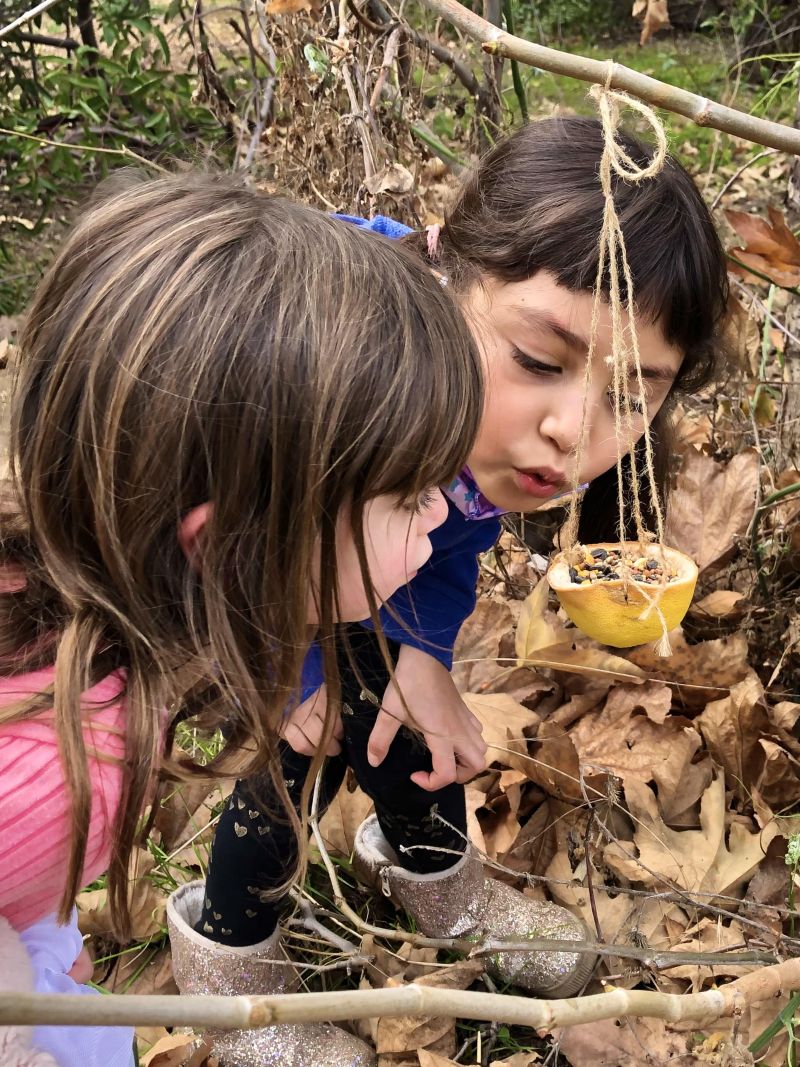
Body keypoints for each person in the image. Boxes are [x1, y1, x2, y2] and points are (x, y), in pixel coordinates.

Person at [194, 114, 730, 1063]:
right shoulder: (334, 363)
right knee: (293, 754)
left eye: (632, 393)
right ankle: (229, 960)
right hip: (253, 579)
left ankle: (440, 882)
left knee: (410, 718)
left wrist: (426, 652)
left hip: (362, 571)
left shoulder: (490, 435)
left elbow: (444, 539)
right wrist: (292, 670)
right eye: (539, 361)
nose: (575, 431)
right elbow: (228, 537)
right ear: (448, 270)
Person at [0, 171, 483, 1067]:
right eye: (413, 495)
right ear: (237, 549)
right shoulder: (59, 774)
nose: (444, 520)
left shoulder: (121, 617)